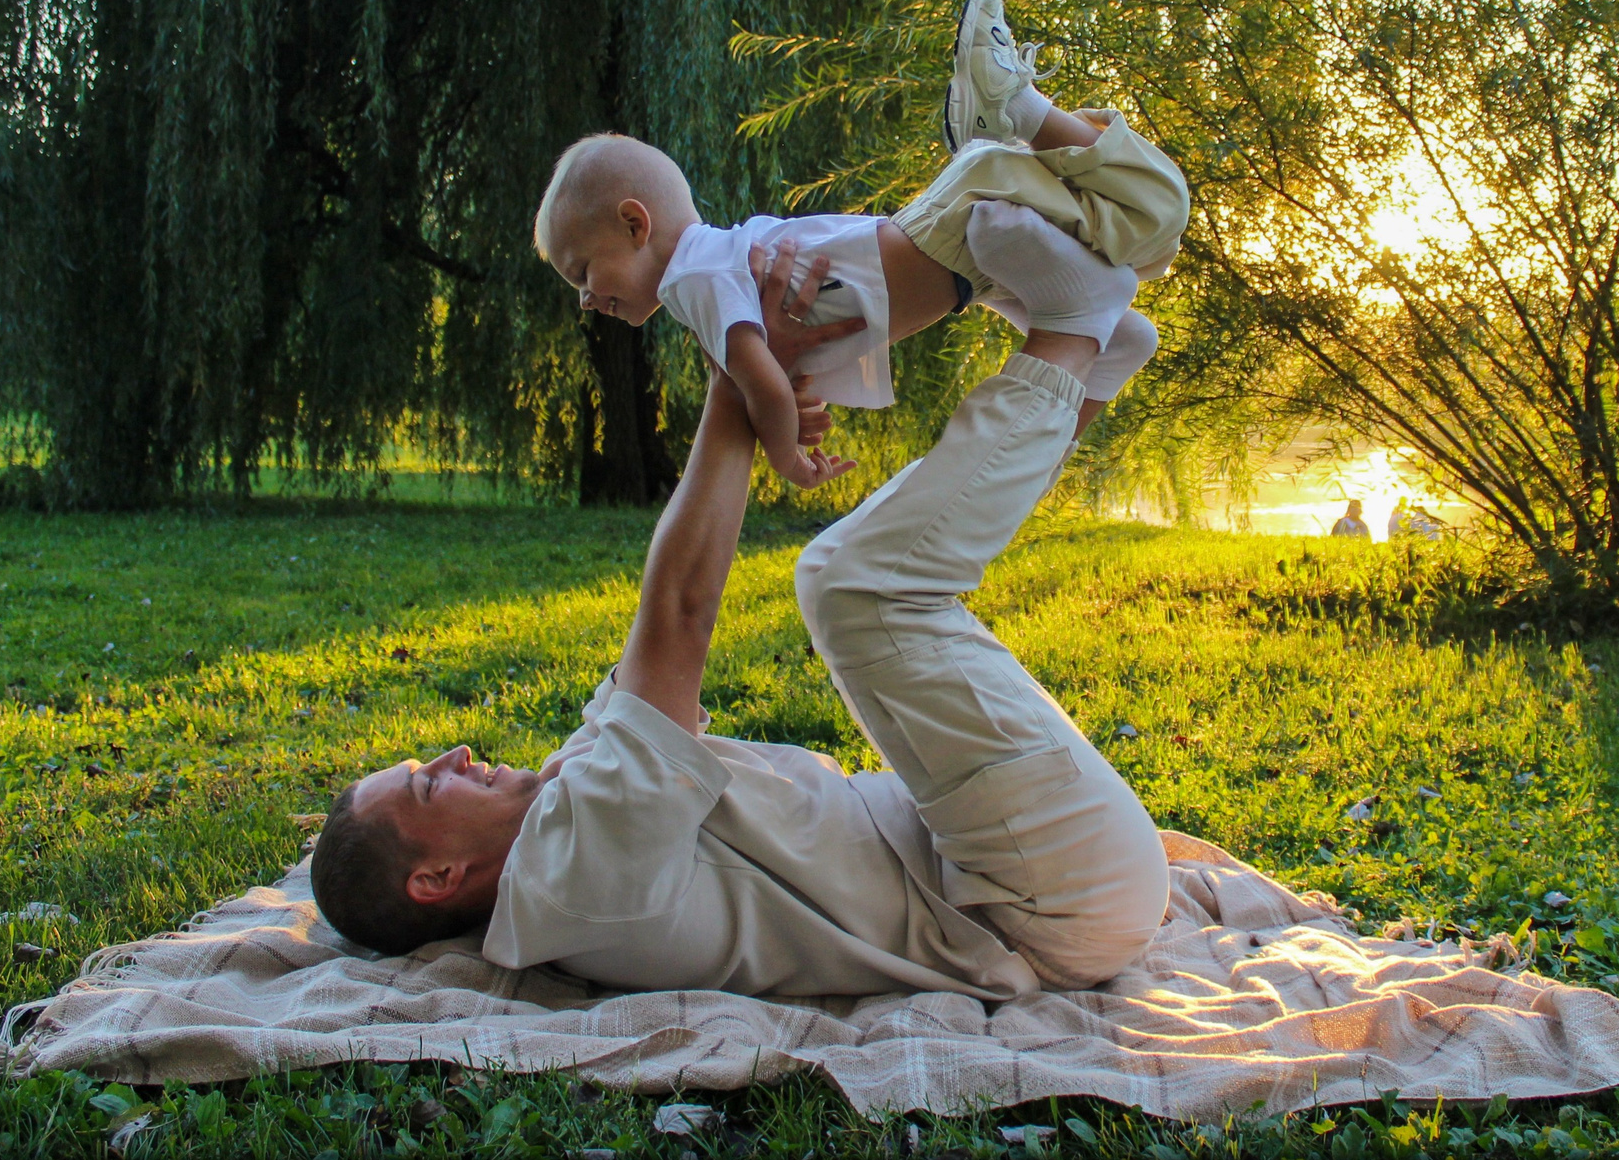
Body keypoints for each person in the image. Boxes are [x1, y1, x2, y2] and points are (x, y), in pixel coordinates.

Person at [310, 240, 1171, 997]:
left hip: (1000, 854)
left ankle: (1083, 362)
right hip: (1045, 899)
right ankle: (1070, 328)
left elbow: (646, 672)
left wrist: (756, 362)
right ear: (439, 877)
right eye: (432, 781)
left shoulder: (564, 804)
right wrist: (737, 374)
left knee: (859, 582)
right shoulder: (574, 876)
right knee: (849, 588)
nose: (459, 754)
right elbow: (679, 614)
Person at [532, 0, 1188, 487]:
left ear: (634, 224)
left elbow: (757, 377)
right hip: (970, 265)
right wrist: (793, 398)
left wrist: (784, 449)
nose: (586, 300)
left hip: (957, 227)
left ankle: (1012, 109)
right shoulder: (711, 273)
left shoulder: (692, 276)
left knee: (1160, 215)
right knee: (1125, 331)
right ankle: (1038, 464)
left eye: (583, 273)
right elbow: (770, 367)